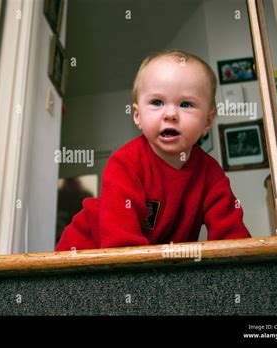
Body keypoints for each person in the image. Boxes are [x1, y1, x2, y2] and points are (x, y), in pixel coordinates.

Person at [55, 49, 251, 251]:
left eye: (186, 104)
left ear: (207, 122)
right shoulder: (125, 163)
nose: (171, 114)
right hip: (85, 247)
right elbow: (121, 245)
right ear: (138, 116)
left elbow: (232, 236)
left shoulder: (211, 174)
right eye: (157, 102)